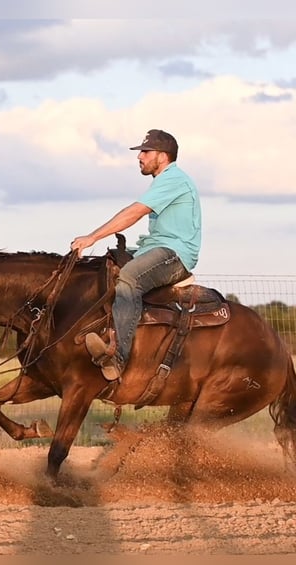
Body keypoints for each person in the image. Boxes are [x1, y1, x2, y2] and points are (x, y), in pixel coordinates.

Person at [70, 129, 202, 381]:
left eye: (145, 152)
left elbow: (134, 212)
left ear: (162, 156)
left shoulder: (174, 179)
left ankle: (119, 357)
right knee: (103, 264)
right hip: (153, 248)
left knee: (130, 277)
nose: (139, 157)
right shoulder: (163, 180)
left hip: (175, 254)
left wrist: (92, 237)